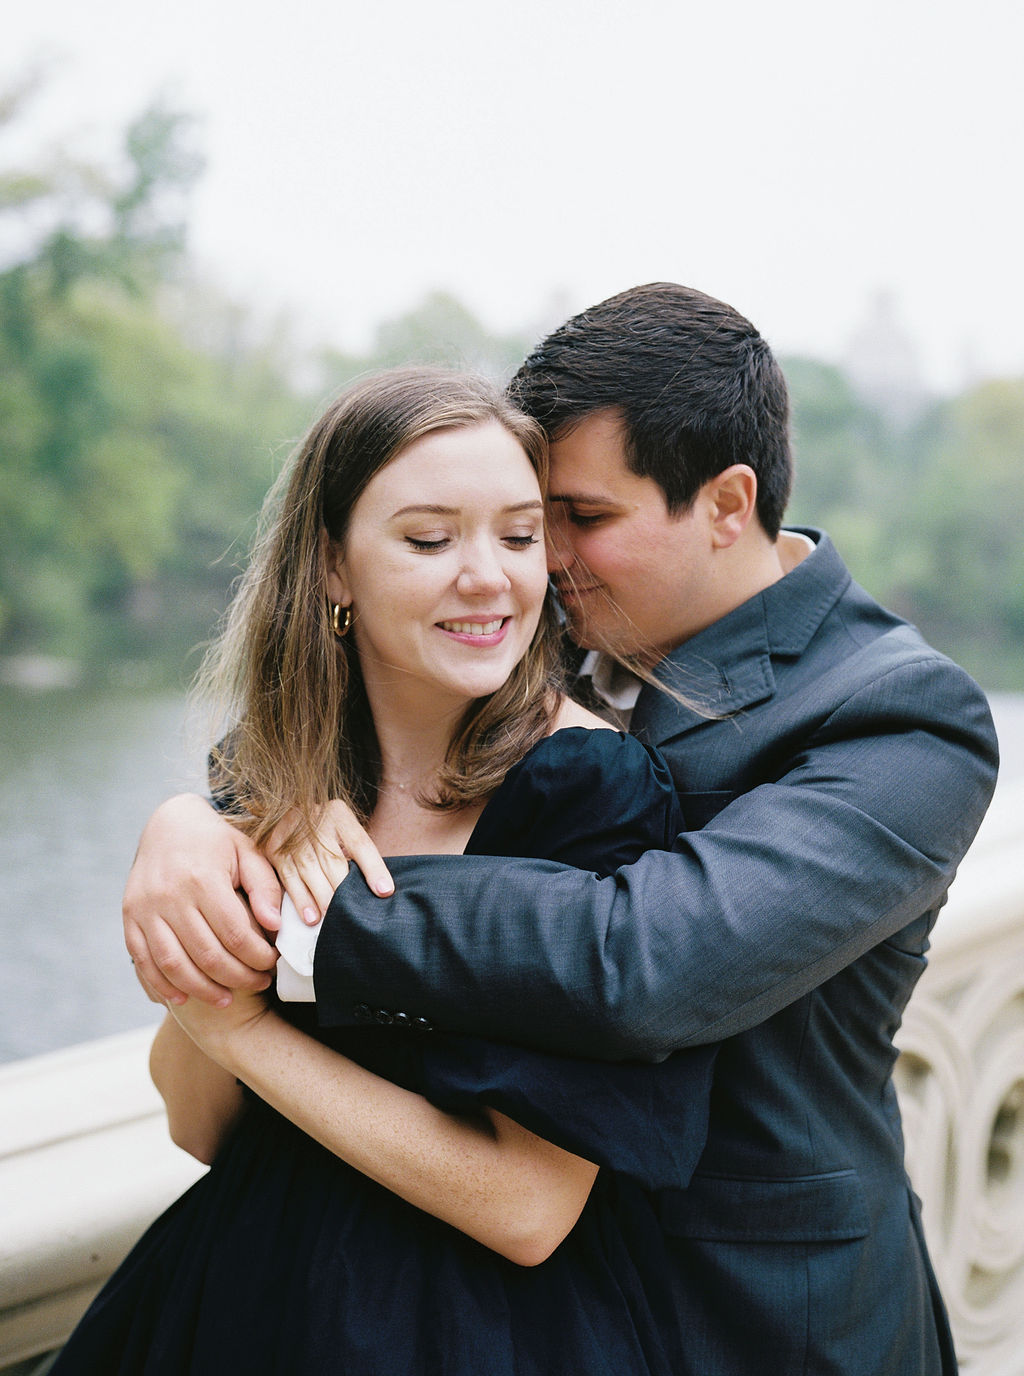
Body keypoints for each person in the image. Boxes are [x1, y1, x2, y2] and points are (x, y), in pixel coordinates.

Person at [123, 286, 1000, 1374]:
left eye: (573, 520)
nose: (532, 563)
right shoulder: (509, 641)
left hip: (758, 1319)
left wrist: (283, 920)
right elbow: (319, 755)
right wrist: (188, 828)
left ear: (727, 505)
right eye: (534, 522)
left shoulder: (898, 714)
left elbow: (648, 960)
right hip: (461, 1306)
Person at [53, 367, 720, 1375]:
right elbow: (199, 1122)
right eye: (427, 538)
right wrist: (190, 830)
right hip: (243, 1296)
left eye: (518, 532)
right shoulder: (273, 768)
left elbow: (528, 1206)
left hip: (479, 1333)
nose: (489, 577)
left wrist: (235, 1021)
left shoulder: (590, 788)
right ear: (332, 566)